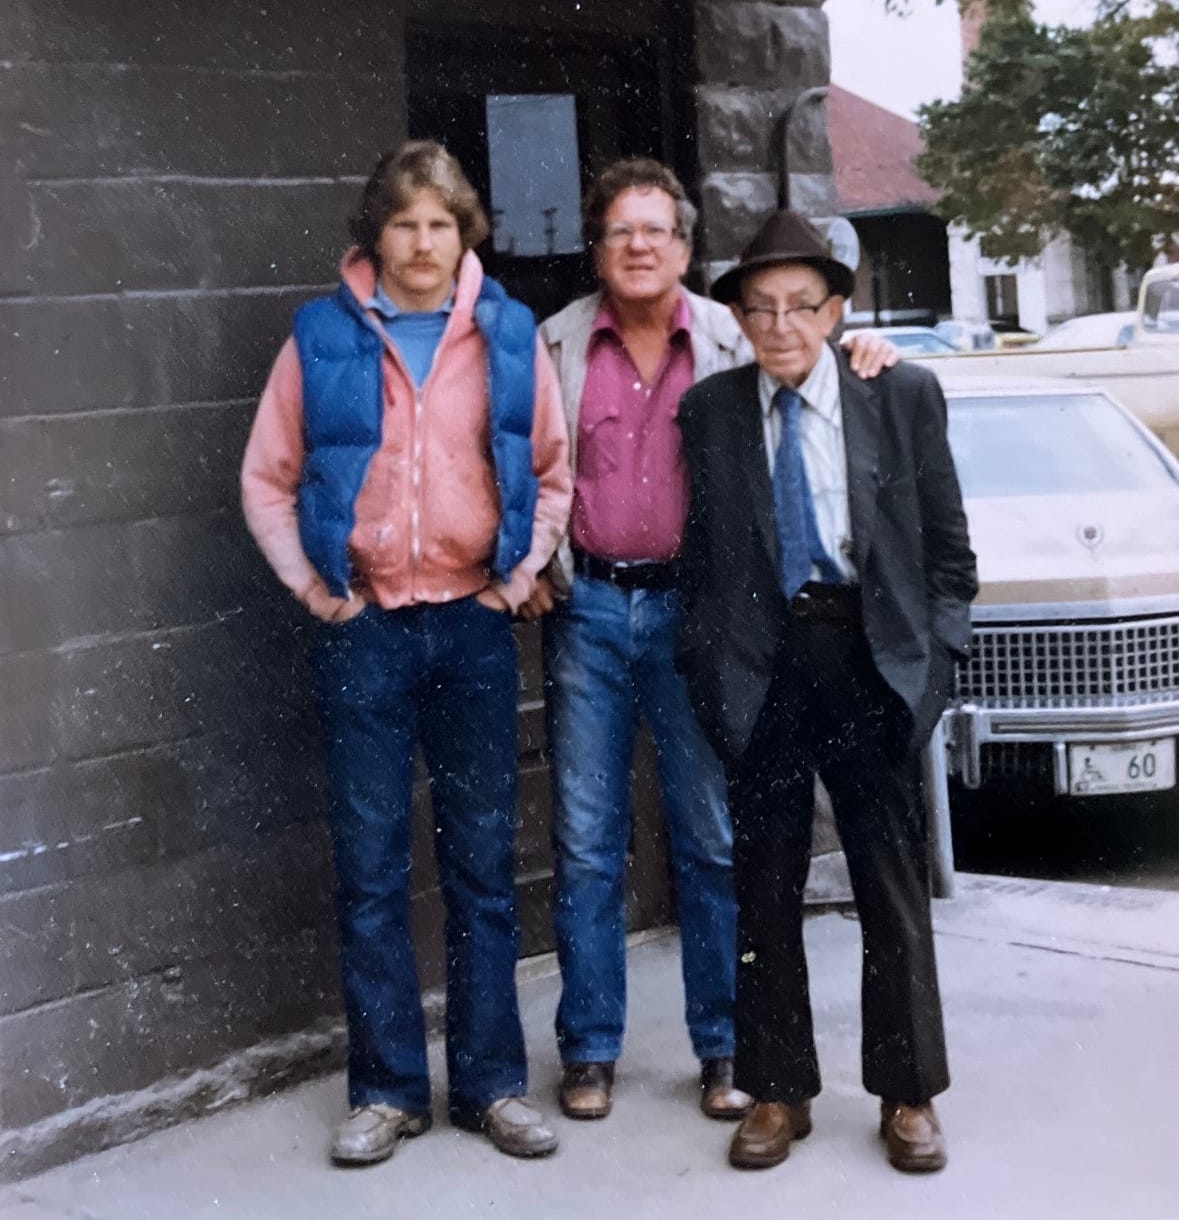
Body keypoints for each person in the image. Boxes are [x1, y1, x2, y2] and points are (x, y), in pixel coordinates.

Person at [532, 160, 895, 1125]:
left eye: (656, 231)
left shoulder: (738, 336)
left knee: (709, 837)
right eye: (619, 232)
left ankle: (725, 1045)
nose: (638, 246)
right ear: (599, 250)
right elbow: (528, 464)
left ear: (686, 250)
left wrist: (863, 352)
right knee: (585, 842)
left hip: (702, 619)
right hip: (594, 616)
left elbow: (814, 367)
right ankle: (590, 1050)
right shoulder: (558, 343)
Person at [241, 142, 571, 1168]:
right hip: (368, 629)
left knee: (481, 867)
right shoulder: (319, 336)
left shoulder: (509, 334)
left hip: (473, 625)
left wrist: (516, 581)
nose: (422, 244)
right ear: (373, 235)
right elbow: (267, 474)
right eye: (403, 224)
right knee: (373, 869)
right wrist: (310, 584)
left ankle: (490, 1085)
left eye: (439, 223)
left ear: (463, 231)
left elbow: (553, 471)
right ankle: (386, 1089)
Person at [674, 209, 978, 1176]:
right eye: (759, 309)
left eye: (801, 305)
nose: (780, 327)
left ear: (837, 310)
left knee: (889, 883)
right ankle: (776, 1089)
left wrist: (929, 671)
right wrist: (711, 671)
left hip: (868, 663)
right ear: (739, 321)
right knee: (762, 881)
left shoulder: (899, 395)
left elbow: (948, 557)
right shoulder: (711, 412)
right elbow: (702, 563)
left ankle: (907, 1092)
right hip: (763, 669)